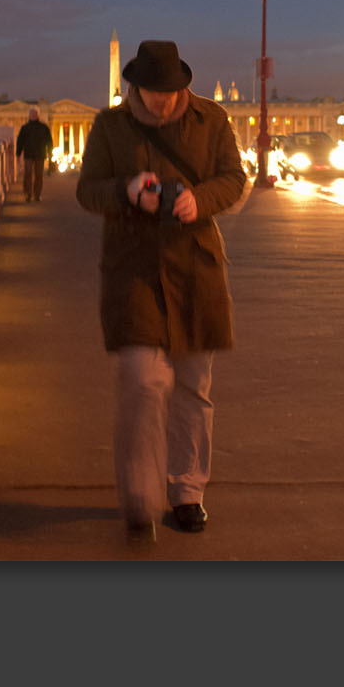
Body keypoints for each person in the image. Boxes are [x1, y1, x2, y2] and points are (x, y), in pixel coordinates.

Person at [77, 40, 247, 546]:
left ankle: (187, 490)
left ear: (184, 86)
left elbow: (234, 179)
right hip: (134, 267)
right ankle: (140, 490)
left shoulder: (212, 120)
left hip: (196, 266)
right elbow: (88, 190)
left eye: (171, 94)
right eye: (152, 93)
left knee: (193, 386)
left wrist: (201, 200)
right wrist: (129, 192)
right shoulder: (109, 126)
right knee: (142, 379)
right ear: (135, 86)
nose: (162, 103)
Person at [16, 108, 53, 202]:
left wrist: (50, 152)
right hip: (29, 154)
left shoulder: (43, 127)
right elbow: (20, 141)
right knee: (28, 175)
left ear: (38, 115)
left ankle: (37, 195)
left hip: (40, 154)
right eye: (32, 114)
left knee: (39, 176)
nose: (33, 116)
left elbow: (49, 141)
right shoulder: (25, 128)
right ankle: (28, 194)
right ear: (29, 115)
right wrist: (18, 153)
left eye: (35, 114)